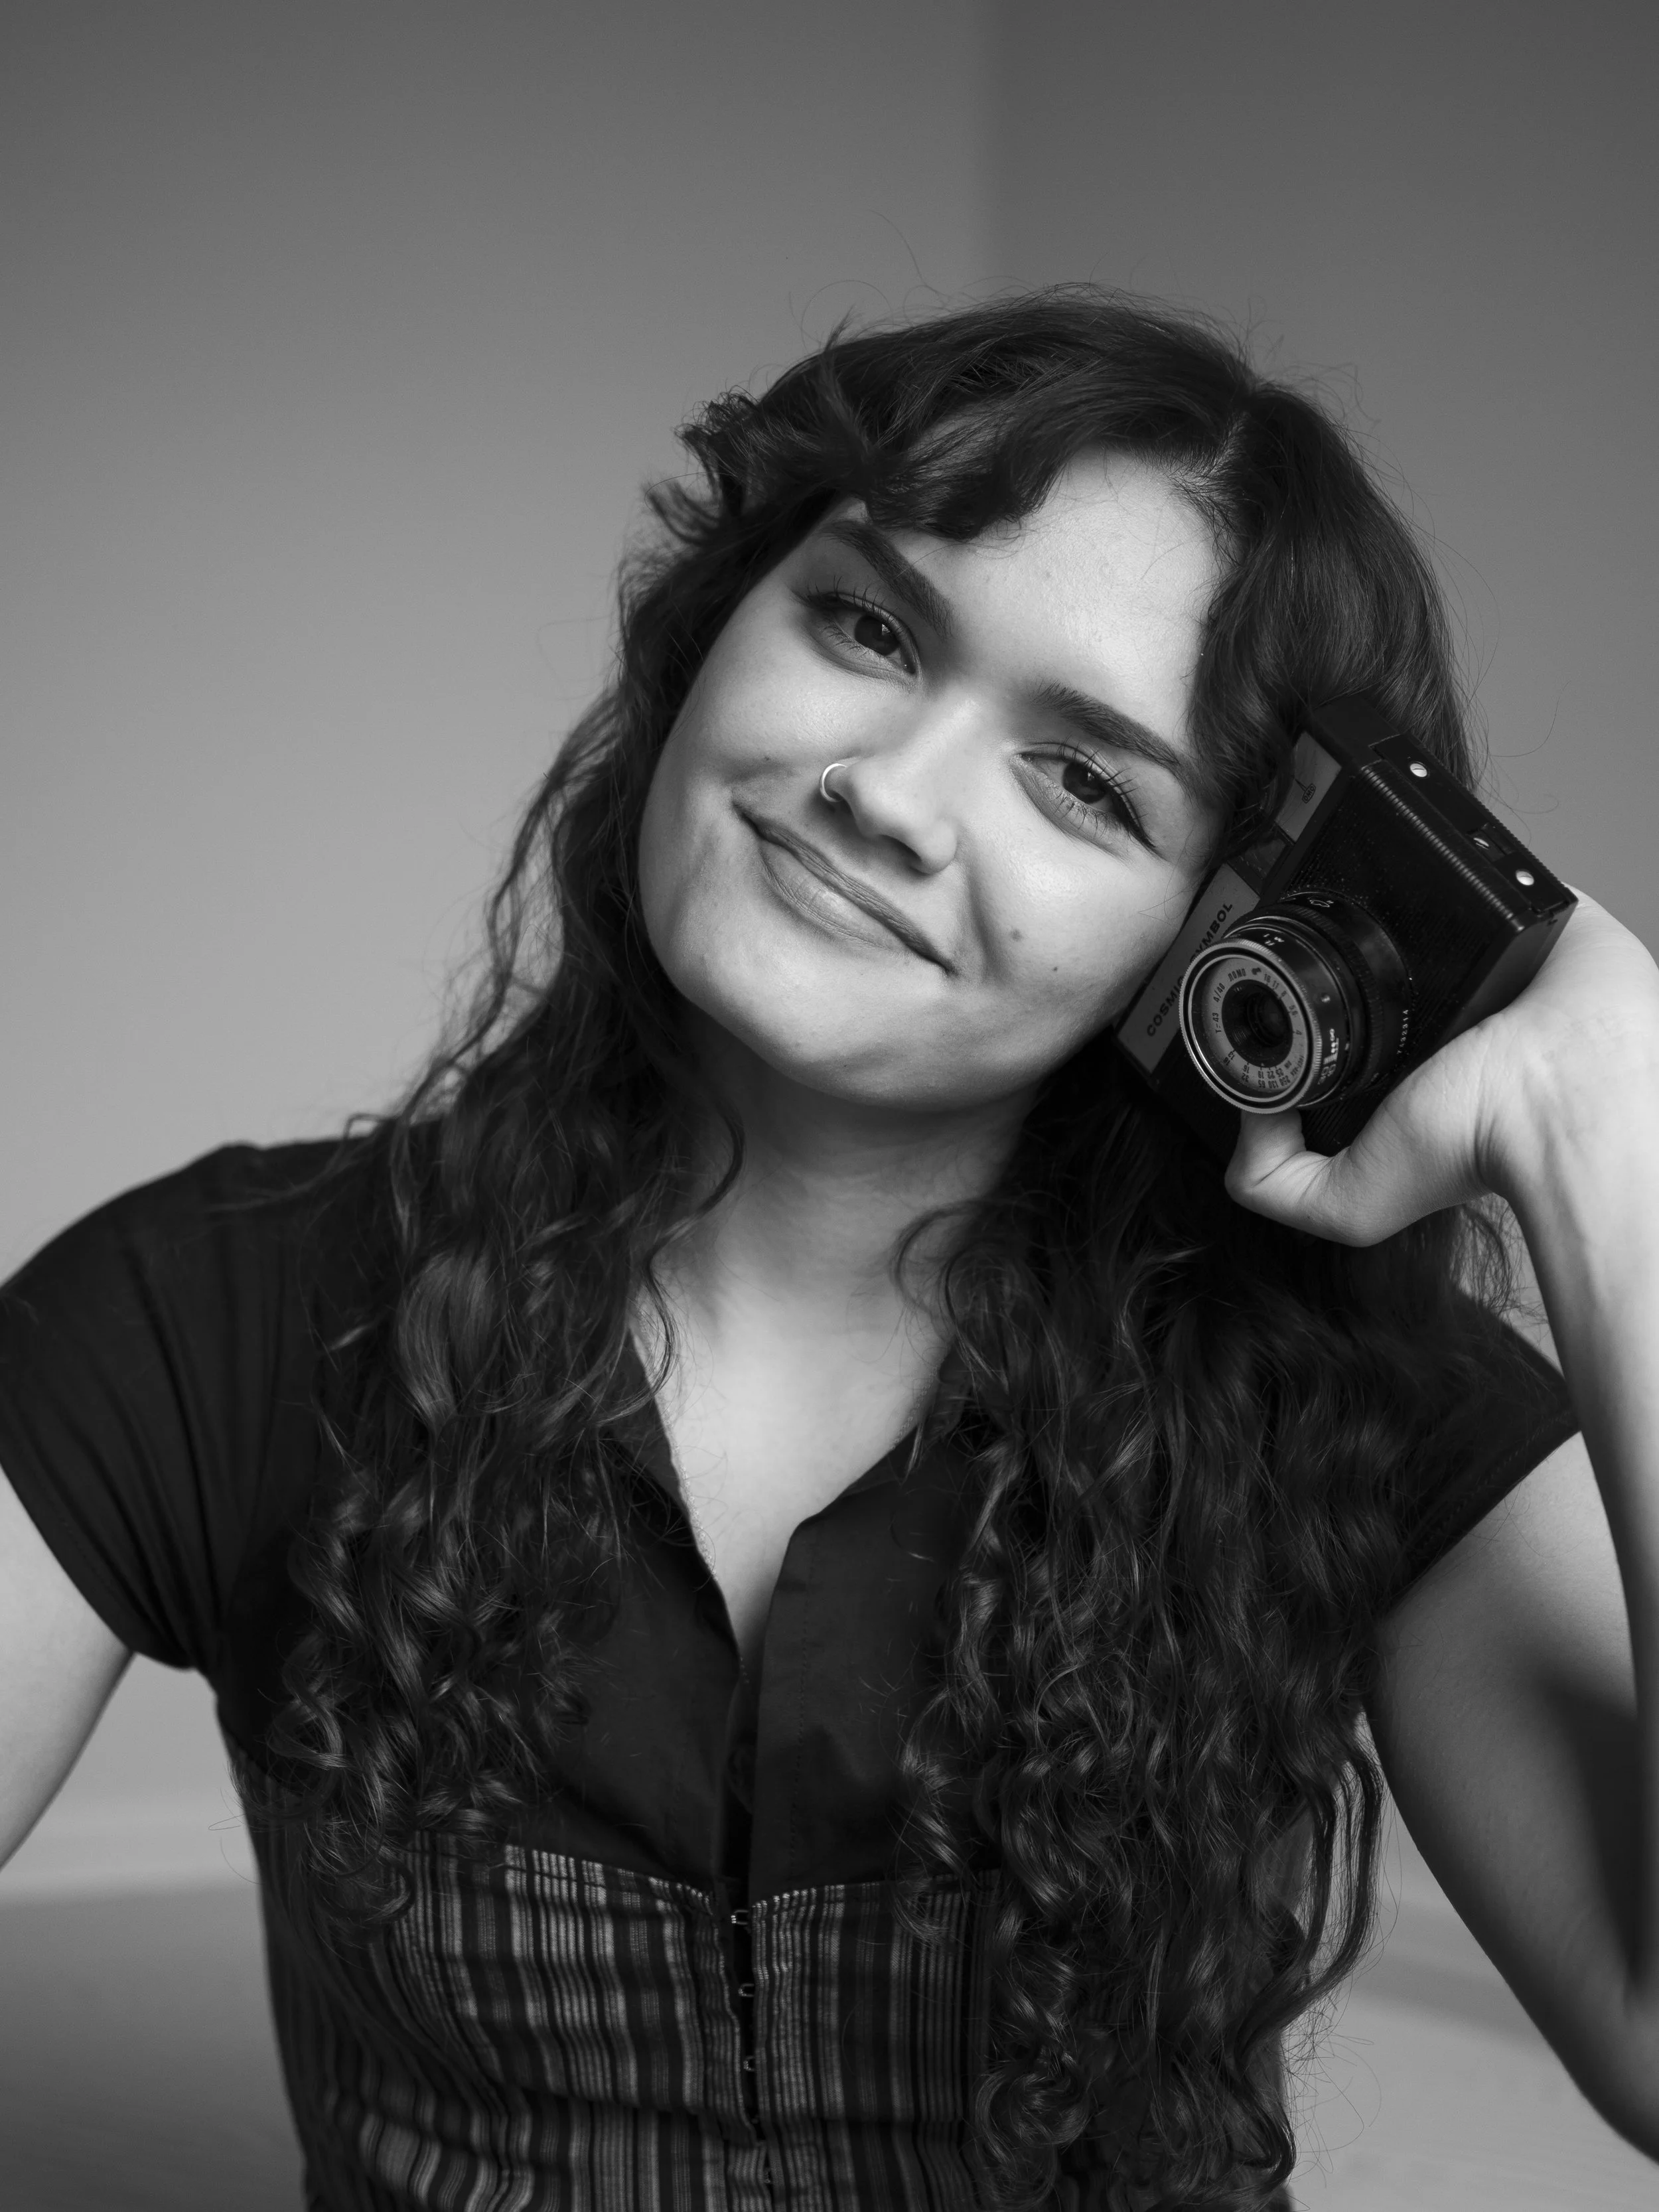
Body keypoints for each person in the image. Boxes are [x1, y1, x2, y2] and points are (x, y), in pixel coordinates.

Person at [0, 290, 1654, 2212]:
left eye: (1081, 781)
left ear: (1211, 943)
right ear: (720, 628)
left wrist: (1612, 1134)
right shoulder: (208, 1311)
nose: (887, 789)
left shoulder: (1359, 1410)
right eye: (867, 625)